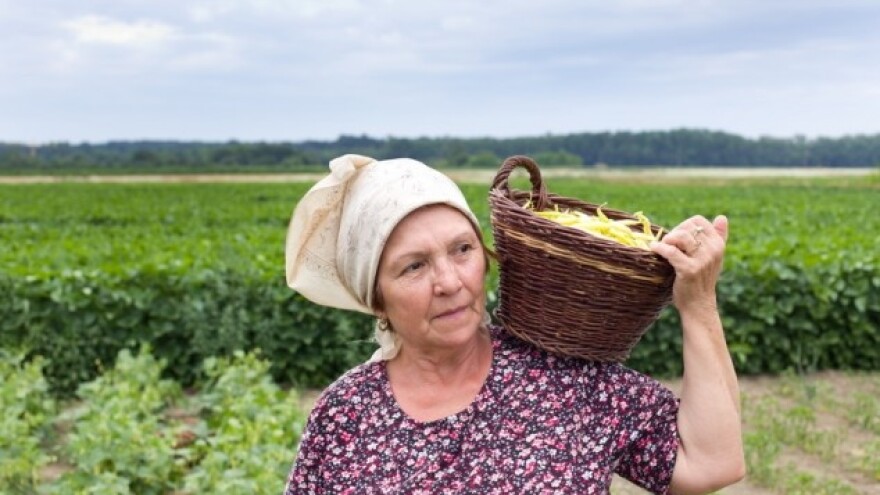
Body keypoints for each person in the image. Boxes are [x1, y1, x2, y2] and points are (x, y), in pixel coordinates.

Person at [282, 154, 745, 494]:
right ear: (376, 299)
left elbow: (711, 462)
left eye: (462, 250)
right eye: (414, 267)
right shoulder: (345, 414)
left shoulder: (563, 377)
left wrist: (699, 302)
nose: (449, 282)